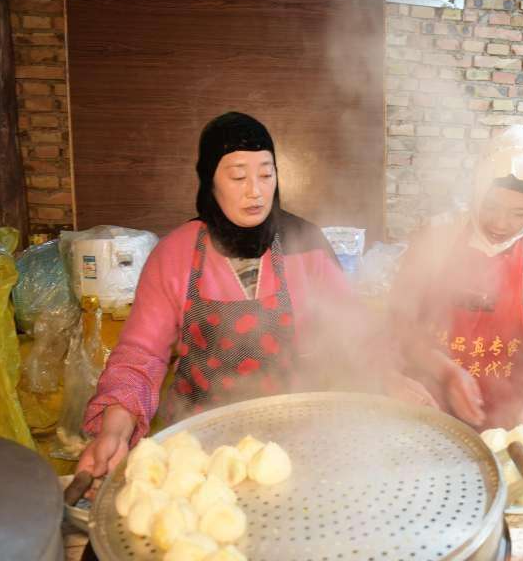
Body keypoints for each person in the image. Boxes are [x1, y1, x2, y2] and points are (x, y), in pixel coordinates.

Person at [76, 112, 412, 478]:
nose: (255, 190)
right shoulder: (174, 255)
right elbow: (140, 357)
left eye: (266, 175)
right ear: (209, 181)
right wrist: (113, 430)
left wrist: (389, 375)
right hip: (197, 450)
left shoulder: (306, 246)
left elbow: (355, 331)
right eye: (238, 176)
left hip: (291, 447)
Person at [392, 125, 523, 459]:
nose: (500, 223)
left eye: (517, 213)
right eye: (492, 206)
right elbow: (400, 324)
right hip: (426, 409)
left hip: (506, 425)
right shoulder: (435, 239)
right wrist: (447, 371)